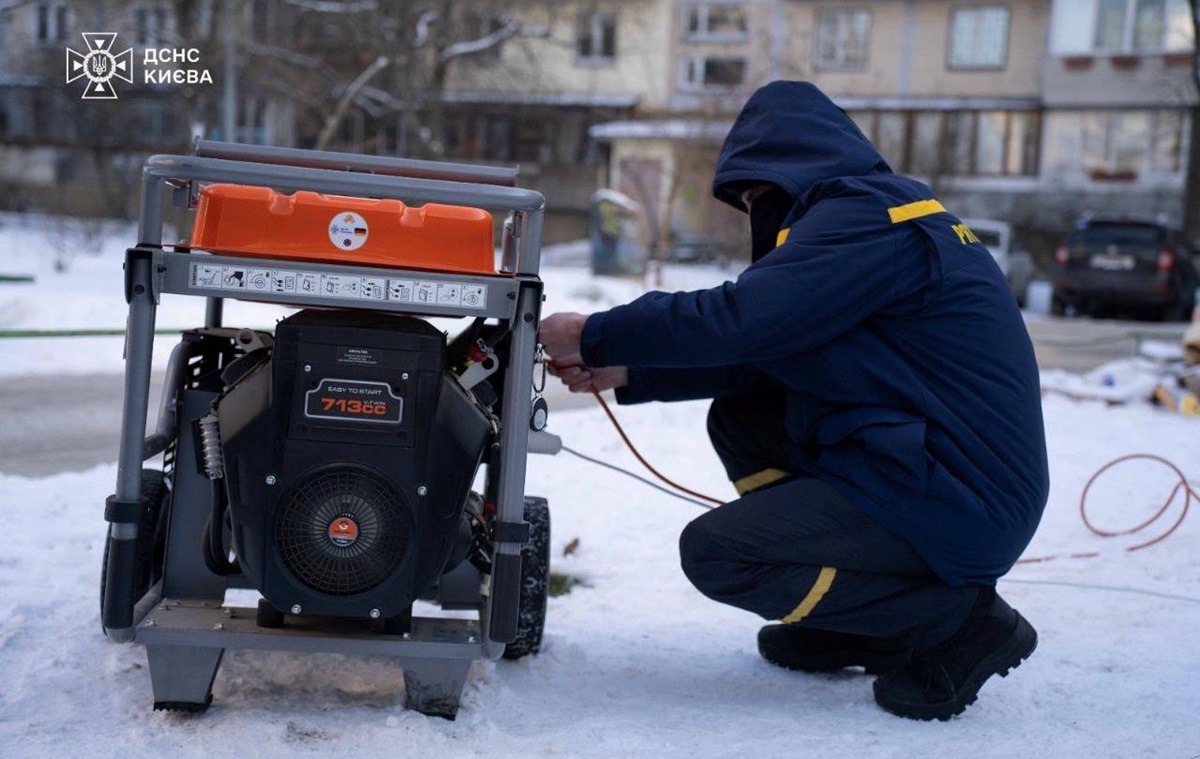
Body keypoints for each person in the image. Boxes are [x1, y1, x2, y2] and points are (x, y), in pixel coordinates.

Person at [539, 81, 1049, 721]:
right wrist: (631, 371)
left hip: (960, 496)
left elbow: (745, 318)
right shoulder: (877, 215)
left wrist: (595, 333)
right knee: (745, 420)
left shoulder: (868, 221)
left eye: (757, 198)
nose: (756, 215)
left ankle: (959, 621)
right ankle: (855, 620)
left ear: (788, 174)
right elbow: (772, 356)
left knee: (719, 555)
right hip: (934, 472)